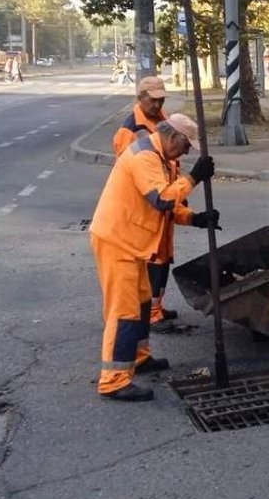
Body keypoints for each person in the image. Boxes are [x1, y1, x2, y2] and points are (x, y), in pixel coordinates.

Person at [88, 113, 220, 402]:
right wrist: (195, 177)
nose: (186, 152)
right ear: (174, 137)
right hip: (116, 241)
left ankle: (139, 357)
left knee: (143, 302)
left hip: (132, 243)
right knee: (124, 311)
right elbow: (160, 198)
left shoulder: (163, 159)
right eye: (186, 146)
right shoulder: (144, 157)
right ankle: (113, 380)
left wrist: (196, 218)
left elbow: (171, 204)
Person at [112, 76, 181, 330]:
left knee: (163, 258)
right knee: (150, 260)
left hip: (163, 201)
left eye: (161, 99)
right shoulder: (129, 130)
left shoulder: (163, 119)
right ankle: (150, 313)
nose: (157, 103)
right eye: (153, 99)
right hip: (149, 204)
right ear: (140, 98)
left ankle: (157, 306)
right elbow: (130, 173)